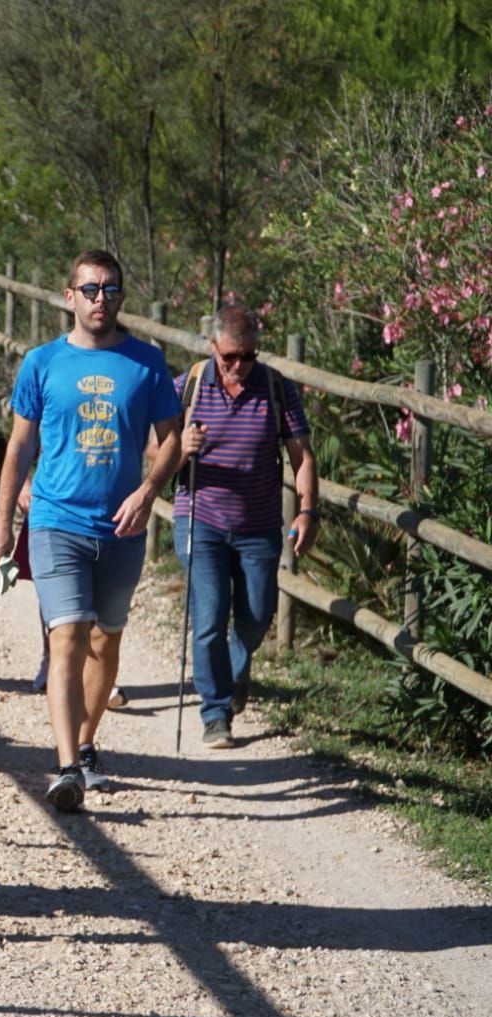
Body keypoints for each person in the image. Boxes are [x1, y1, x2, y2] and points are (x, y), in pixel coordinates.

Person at [0, 250, 183, 812]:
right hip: (55, 520)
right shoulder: (42, 363)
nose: (100, 299)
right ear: (68, 296)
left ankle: (88, 741)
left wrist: (148, 492)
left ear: (120, 298)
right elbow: (19, 445)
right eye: (89, 289)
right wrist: (2, 526)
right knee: (66, 635)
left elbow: (172, 439)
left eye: (110, 289)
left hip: (122, 525)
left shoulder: (146, 363)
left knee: (105, 640)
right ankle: (67, 765)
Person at [173, 305, 319, 748]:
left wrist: (308, 511)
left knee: (257, 617)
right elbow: (154, 455)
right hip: (200, 519)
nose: (239, 366)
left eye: (248, 356)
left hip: (258, 525)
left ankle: (237, 668)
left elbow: (303, 457)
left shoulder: (276, 388)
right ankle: (215, 714)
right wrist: (182, 446)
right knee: (209, 617)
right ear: (213, 346)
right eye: (231, 356)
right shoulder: (189, 387)